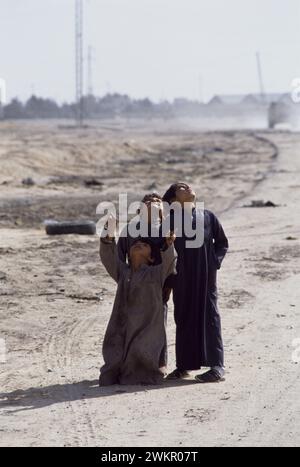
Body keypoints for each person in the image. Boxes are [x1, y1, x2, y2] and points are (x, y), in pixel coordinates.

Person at [162, 182, 229, 383]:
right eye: (181, 187)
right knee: (183, 317)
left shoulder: (207, 216)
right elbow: (162, 249)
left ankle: (217, 366)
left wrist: (213, 263)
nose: (188, 187)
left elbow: (222, 243)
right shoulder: (169, 221)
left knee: (210, 317)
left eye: (188, 185)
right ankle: (184, 366)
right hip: (181, 276)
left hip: (206, 277)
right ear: (173, 200)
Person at [99, 219, 177, 386]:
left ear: (151, 257)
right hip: (121, 323)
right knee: (115, 353)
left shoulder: (156, 273)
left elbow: (169, 262)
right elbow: (108, 258)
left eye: (144, 244)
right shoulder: (122, 272)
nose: (138, 244)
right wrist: (108, 236)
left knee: (143, 353)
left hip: (146, 327)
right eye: (135, 243)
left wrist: (169, 245)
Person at [117, 192, 175, 369]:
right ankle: (129, 362)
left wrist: (170, 284)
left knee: (159, 323)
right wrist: (125, 280)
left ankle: (158, 362)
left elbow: (173, 258)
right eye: (148, 201)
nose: (152, 203)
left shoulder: (168, 229)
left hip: (160, 283)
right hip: (134, 283)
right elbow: (119, 256)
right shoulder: (129, 230)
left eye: (157, 201)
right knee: (131, 322)